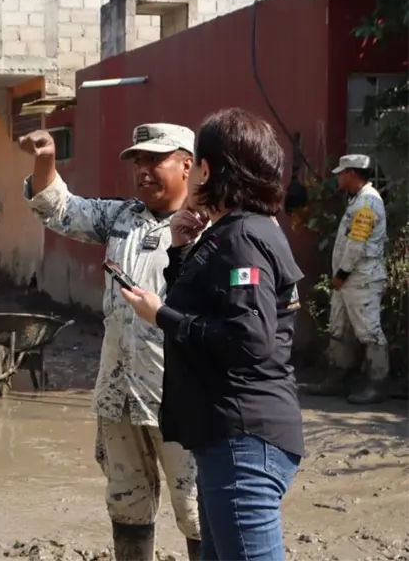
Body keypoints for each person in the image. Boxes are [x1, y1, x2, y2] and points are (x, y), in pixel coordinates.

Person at [120, 108, 305, 561]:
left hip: (244, 439)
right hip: (225, 436)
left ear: (207, 169)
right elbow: (215, 308)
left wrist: (161, 315)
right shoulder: (226, 233)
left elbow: (249, 340)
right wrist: (181, 252)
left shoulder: (243, 237)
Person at [20, 124, 201, 561]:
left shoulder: (210, 228)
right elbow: (57, 208)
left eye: (155, 159)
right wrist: (46, 159)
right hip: (118, 395)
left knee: (198, 510)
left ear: (187, 164)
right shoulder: (121, 218)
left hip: (180, 400)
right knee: (127, 502)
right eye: (138, 161)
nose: (143, 170)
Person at [304, 154, 389, 404]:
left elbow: (357, 244)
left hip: (360, 279)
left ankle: (377, 384)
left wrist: (341, 274)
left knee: (369, 331)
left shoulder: (367, 203)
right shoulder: (358, 200)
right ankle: (337, 379)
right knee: (339, 328)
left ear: (352, 174)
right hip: (348, 280)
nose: (338, 177)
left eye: (341, 173)